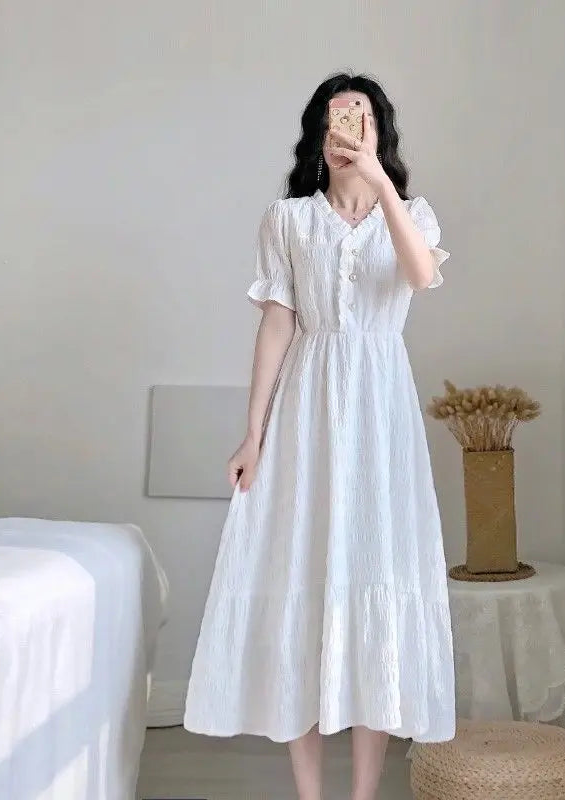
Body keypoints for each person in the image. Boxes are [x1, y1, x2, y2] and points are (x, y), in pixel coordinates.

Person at [184, 72, 455, 800]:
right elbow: (278, 324)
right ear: (317, 133)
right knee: (297, 580)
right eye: (336, 117)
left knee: (375, 583)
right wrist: (252, 434)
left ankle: (362, 795)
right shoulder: (288, 220)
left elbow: (419, 275)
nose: (347, 128)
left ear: (378, 132)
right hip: (307, 408)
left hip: (381, 413)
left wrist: (380, 184)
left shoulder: (413, 214)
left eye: (360, 117)